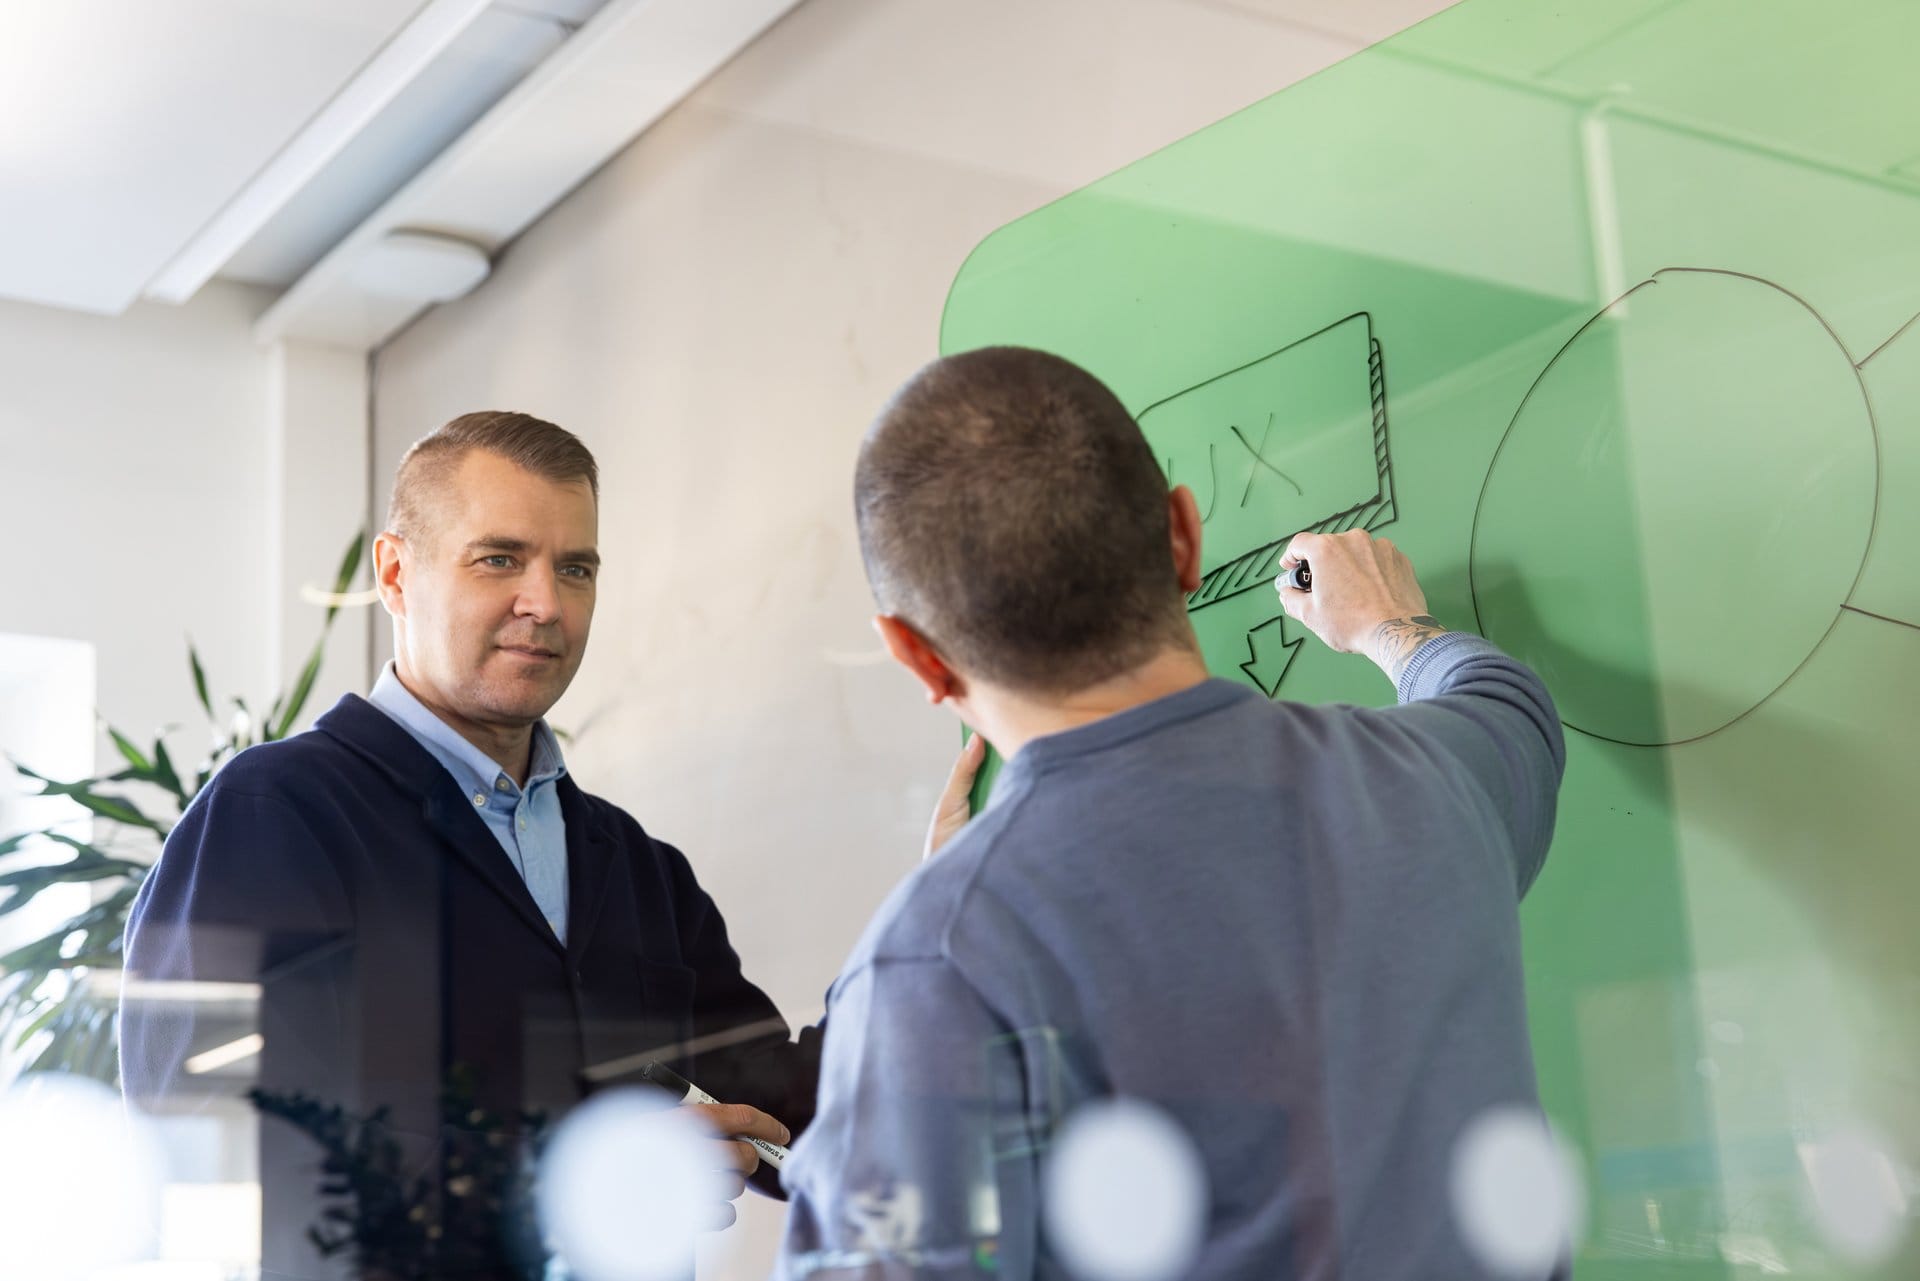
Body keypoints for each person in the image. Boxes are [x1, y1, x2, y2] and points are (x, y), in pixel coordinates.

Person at [775, 348, 1568, 1279]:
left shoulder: (937, 964)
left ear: (915, 657)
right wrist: (1386, 627)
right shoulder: (1431, 779)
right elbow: (1504, 700)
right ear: (1184, 537)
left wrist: (961, 902)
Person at [121, 412, 948, 1277]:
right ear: (397, 573)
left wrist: (941, 908)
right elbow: (221, 1158)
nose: (546, 603)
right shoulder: (275, 814)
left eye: (576, 567)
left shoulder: (638, 870)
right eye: (500, 558)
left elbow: (795, 1119)